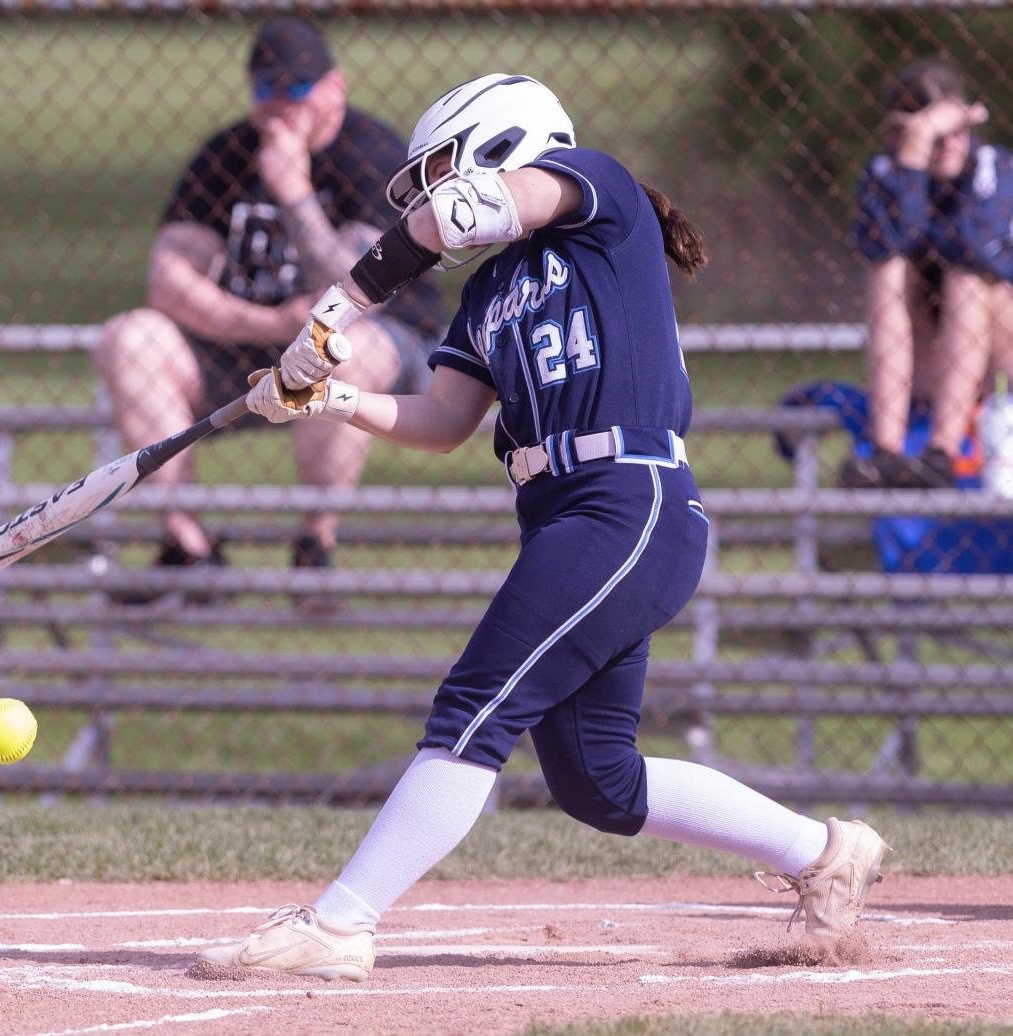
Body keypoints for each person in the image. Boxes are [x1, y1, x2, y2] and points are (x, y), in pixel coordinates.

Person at [199, 74, 890, 982]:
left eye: (446, 169)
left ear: (500, 142)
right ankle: (826, 854)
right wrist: (327, 396)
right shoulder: (487, 295)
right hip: (565, 515)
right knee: (597, 779)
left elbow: (460, 216)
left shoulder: (593, 194)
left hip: (626, 498)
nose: (435, 194)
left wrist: (337, 309)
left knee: (473, 707)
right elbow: (445, 423)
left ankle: (338, 926)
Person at [94, 17, 441, 587]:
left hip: (379, 347)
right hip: (248, 345)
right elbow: (168, 281)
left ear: (335, 88)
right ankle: (189, 550)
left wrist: (294, 192)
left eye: (298, 89)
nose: (281, 106)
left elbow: (363, 292)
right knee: (131, 337)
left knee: (341, 349)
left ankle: (314, 542)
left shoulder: (376, 156)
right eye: (266, 90)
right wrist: (272, 321)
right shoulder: (227, 155)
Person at [842, 59, 1013, 490]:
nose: (950, 144)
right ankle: (885, 451)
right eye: (936, 135)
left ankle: (943, 453)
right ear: (903, 133)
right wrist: (915, 154)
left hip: (994, 355)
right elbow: (888, 244)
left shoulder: (994, 166)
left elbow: (979, 249)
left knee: (967, 278)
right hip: (928, 360)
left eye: (957, 130)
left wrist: (924, 145)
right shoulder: (889, 172)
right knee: (890, 270)